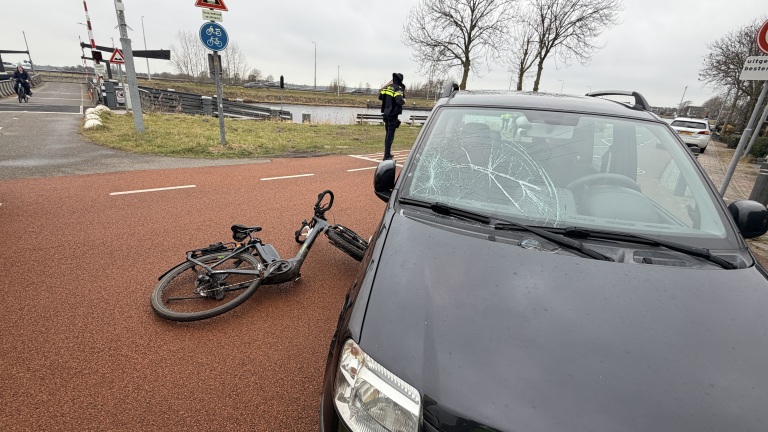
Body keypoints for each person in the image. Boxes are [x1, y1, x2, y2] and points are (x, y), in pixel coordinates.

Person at [379, 73, 406, 160]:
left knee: (387, 135)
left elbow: (380, 97)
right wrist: (404, 101)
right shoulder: (398, 88)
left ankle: (387, 153)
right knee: (390, 136)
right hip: (393, 114)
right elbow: (399, 100)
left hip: (386, 114)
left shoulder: (387, 87)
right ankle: (386, 156)